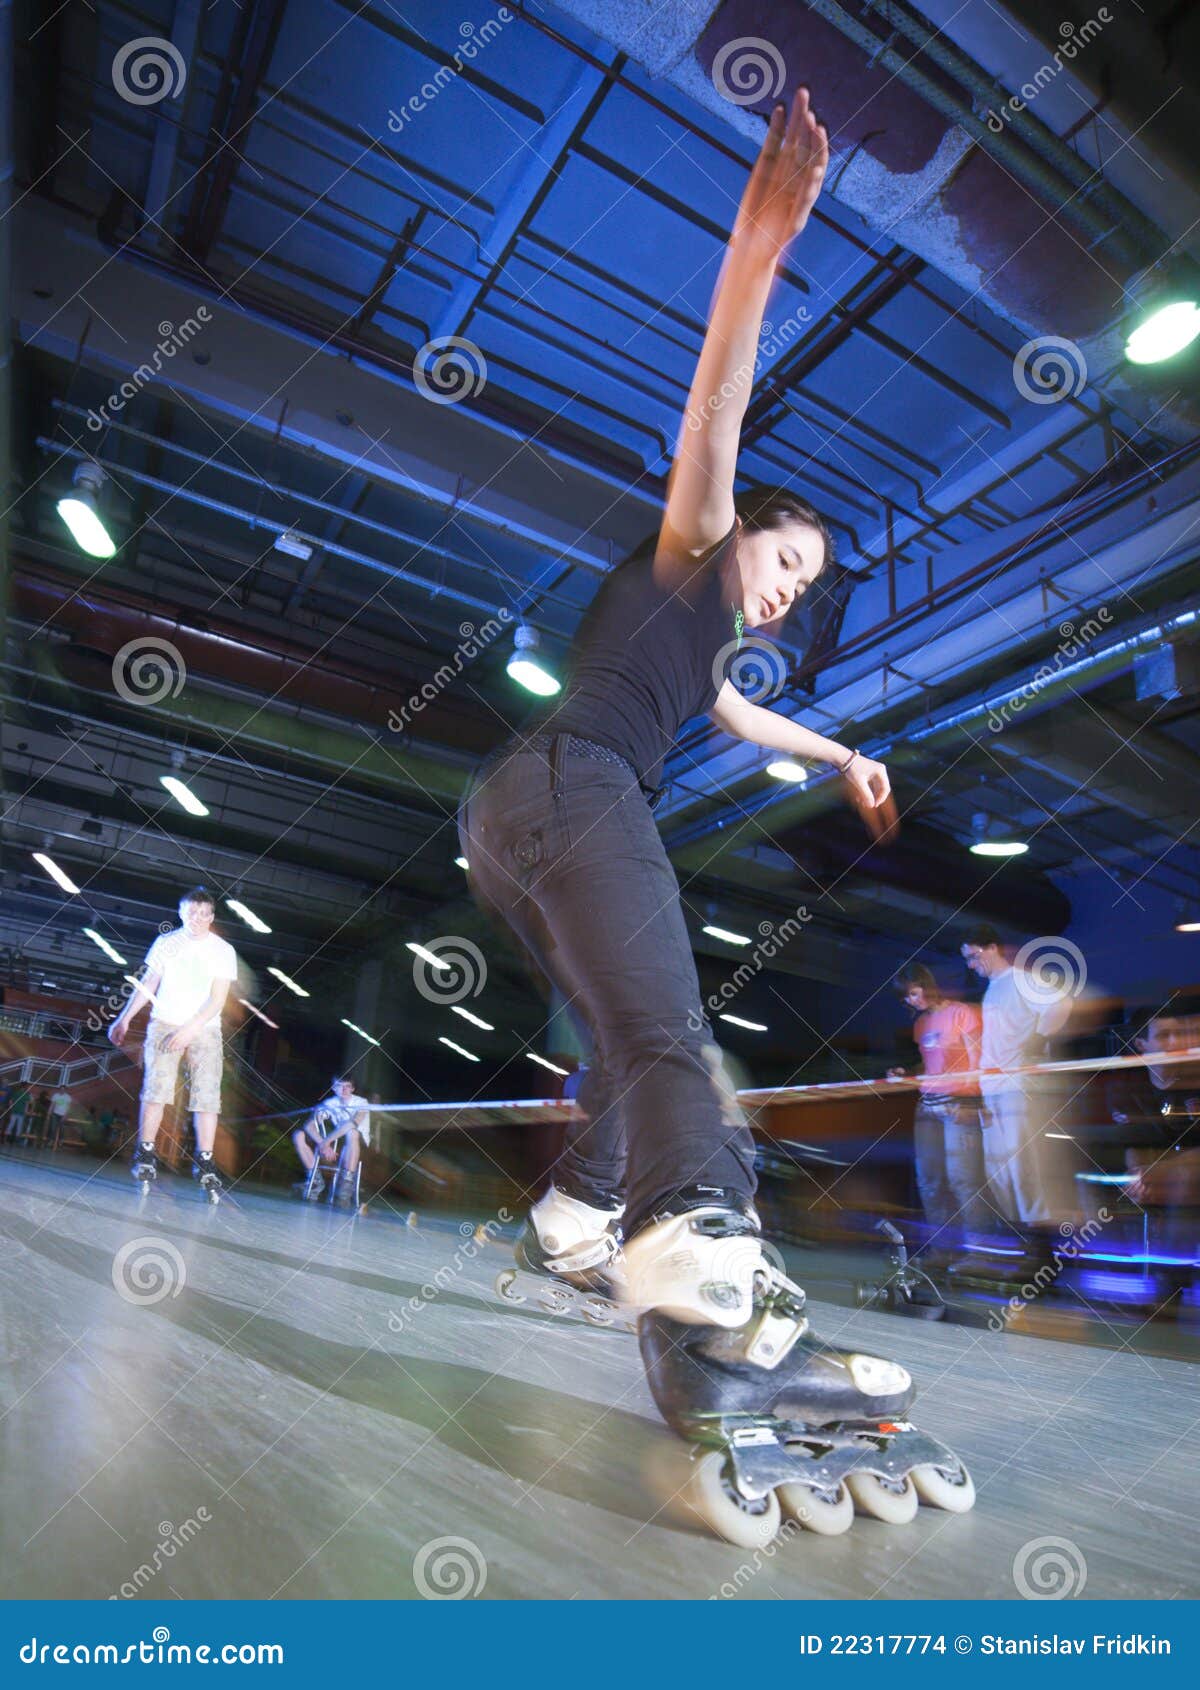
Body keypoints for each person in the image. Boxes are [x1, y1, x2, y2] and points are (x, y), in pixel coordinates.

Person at [460, 90, 973, 1537]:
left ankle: (574, 1226)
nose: (787, 589)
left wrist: (845, 751)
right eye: (786, 560)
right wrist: (758, 248)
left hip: (511, 819)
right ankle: (708, 1283)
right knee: (674, 1033)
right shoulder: (694, 539)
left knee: (626, 1041)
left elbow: (746, 719)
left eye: (802, 588)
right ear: (746, 532)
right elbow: (717, 408)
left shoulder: (704, 649)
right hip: (573, 786)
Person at [108, 886, 238, 1198]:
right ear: (181, 913)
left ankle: (205, 1161)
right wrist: (124, 1018)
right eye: (191, 912)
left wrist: (190, 1029)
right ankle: (146, 1152)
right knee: (157, 1087)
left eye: (203, 914)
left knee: (207, 1094)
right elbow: (149, 983)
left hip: (205, 1027)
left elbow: (217, 999)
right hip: (164, 1023)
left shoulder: (223, 950)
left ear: (212, 917)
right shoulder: (166, 943)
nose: (197, 919)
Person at [960, 923, 1077, 1266]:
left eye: (974, 955)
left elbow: (1061, 1003)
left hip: (1015, 1087)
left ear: (992, 947)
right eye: (967, 958)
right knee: (999, 1169)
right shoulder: (992, 989)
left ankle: (1040, 1250)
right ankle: (1026, 1241)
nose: (971, 964)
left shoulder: (1021, 980)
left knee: (1021, 1167)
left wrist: (1038, 1039)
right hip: (994, 1089)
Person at [890, 964, 990, 1261]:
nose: (913, 1000)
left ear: (927, 984)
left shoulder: (962, 1013)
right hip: (928, 1107)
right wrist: (908, 1072)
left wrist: (976, 1102)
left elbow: (979, 1061)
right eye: (907, 997)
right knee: (930, 1182)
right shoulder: (922, 1024)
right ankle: (943, 1251)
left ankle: (980, 1253)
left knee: (963, 1180)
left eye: (915, 992)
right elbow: (931, 1065)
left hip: (959, 1105)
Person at [292, 1076, 370, 1203]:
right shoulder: (330, 1103)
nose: (344, 1090)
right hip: (337, 1141)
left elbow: (352, 1124)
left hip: (360, 1145)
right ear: (334, 1088)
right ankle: (315, 1181)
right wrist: (324, 1144)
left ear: (353, 1089)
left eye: (347, 1086)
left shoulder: (362, 1102)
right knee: (298, 1135)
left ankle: (345, 1186)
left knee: (352, 1132)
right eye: (340, 1086)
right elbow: (309, 1125)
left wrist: (326, 1142)